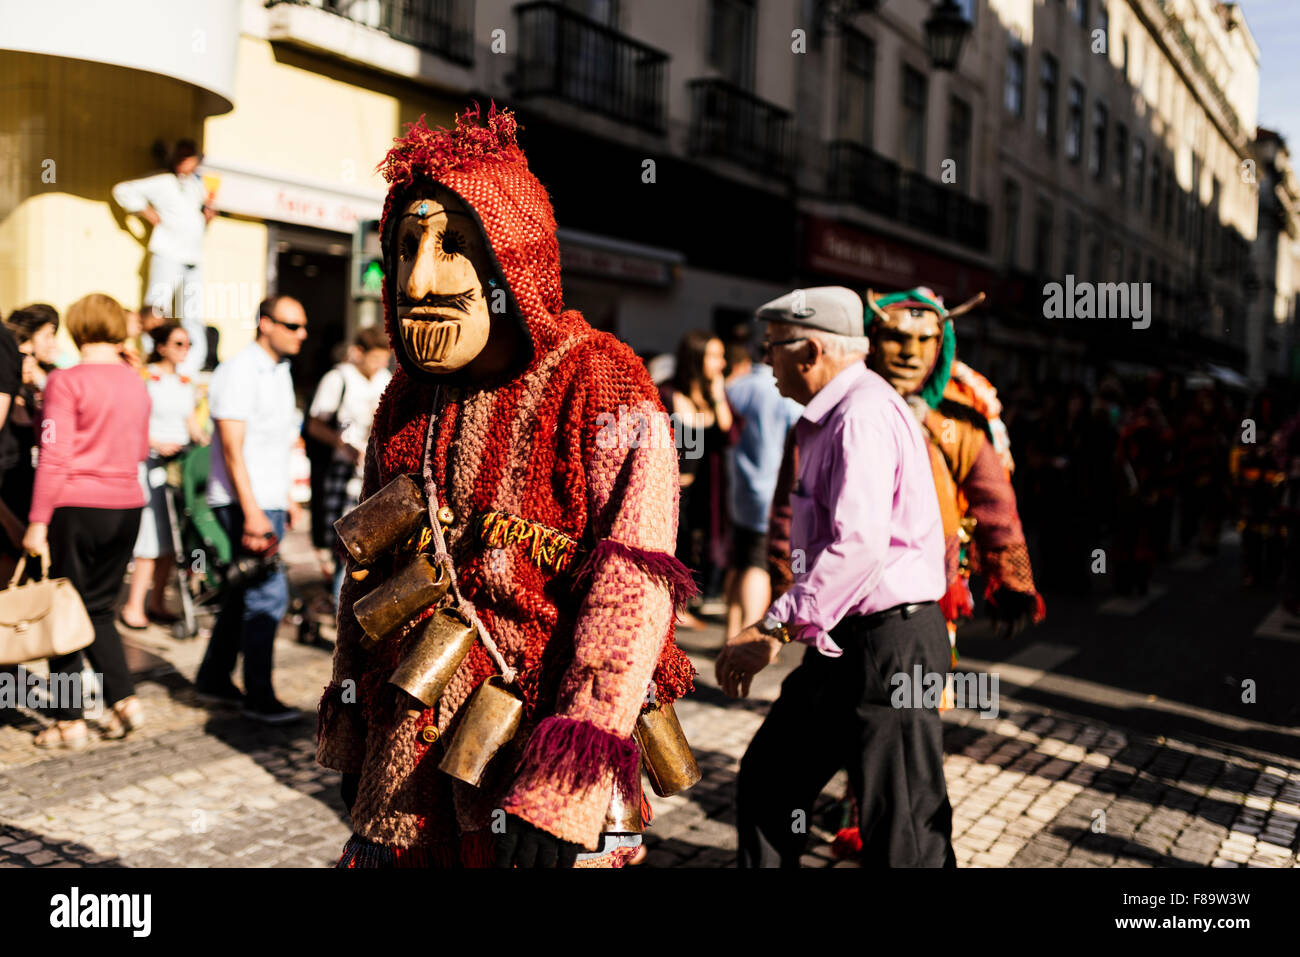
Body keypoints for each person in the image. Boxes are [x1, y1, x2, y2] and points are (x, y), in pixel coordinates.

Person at [315, 105, 695, 869]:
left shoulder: (604, 383)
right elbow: (368, 577)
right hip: (409, 762)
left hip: (545, 760)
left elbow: (632, 590)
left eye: (452, 245)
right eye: (405, 247)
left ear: (511, 262)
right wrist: (355, 723)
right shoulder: (402, 399)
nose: (419, 279)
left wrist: (563, 782)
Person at [716, 285, 954, 868]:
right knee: (771, 780)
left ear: (810, 351)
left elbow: (859, 547)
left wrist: (774, 629)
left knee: (903, 829)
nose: (765, 358)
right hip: (849, 640)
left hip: (890, 642)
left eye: (772, 347)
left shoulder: (861, 416)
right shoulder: (838, 413)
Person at [863, 287, 1043, 641]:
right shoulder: (840, 409)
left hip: (928, 591)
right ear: (871, 339)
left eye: (924, 340)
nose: (909, 353)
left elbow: (994, 500)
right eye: (896, 338)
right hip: (845, 589)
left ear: (940, 346)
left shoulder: (960, 419)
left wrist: (1010, 578)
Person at [21, 294, 151, 749]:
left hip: (76, 505)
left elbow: (54, 456)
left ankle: (69, 721)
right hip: (128, 503)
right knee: (98, 608)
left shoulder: (65, 381)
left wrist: (37, 522)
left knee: (63, 609)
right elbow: (138, 450)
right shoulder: (137, 382)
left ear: (77, 328)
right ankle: (125, 700)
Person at [194, 295, 307, 723]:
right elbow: (231, 449)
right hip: (245, 502)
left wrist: (286, 498)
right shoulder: (240, 371)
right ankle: (259, 696)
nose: (302, 334)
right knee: (268, 598)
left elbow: (273, 444)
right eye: (292, 325)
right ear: (265, 324)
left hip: (268, 499)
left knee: (244, 594)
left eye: (301, 327)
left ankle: (213, 679)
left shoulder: (279, 371)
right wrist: (255, 511)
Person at [119, 323, 210, 629]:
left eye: (187, 344)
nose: (184, 350)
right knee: (150, 537)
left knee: (173, 537)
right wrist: (155, 443)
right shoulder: (144, 379)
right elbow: (130, 423)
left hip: (179, 466)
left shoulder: (187, 382)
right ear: (161, 347)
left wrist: (207, 442)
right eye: (179, 344)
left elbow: (191, 423)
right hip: (149, 464)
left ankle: (156, 600)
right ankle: (134, 605)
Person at [111, 139, 215, 376]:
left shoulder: (198, 186)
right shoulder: (163, 181)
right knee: (156, 310)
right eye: (181, 155)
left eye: (189, 156)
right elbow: (122, 190)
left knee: (192, 312)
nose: (184, 160)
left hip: (193, 255)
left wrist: (206, 218)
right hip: (168, 252)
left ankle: (190, 367)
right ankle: (153, 358)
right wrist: (146, 212)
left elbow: (191, 219)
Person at [722, 339, 802, 639]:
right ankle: (747, 635)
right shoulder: (785, 395)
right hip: (770, 493)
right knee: (756, 566)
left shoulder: (735, 387)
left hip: (738, 489)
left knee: (738, 562)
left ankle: (731, 631)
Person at [306, 324, 392, 603]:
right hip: (342, 470)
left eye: (384, 359)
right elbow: (314, 425)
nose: (379, 364)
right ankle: (340, 605)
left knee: (369, 543)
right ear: (359, 353)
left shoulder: (384, 378)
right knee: (345, 543)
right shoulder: (338, 378)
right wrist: (341, 444)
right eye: (375, 358)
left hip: (373, 471)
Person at [659, 330, 732, 627]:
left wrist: (718, 394)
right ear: (695, 357)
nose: (721, 363)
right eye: (714, 356)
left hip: (701, 492)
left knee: (690, 550)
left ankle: (679, 607)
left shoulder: (708, 399)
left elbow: (726, 432)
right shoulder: (666, 394)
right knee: (667, 550)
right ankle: (666, 609)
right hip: (669, 491)